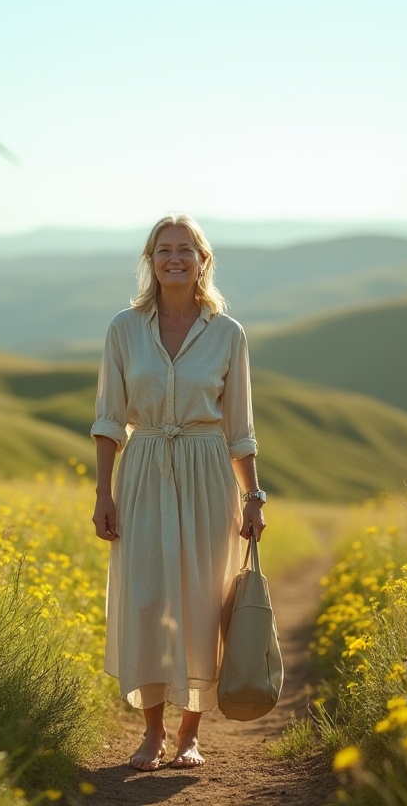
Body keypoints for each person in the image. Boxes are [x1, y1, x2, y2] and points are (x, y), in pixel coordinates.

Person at [90, 212, 267, 771]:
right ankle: (151, 732)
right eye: (164, 249)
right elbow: (108, 419)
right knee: (147, 599)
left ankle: (191, 733)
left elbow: (239, 428)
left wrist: (253, 497)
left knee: (199, 601)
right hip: (142, 470)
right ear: (150, 259)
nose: (174, 258)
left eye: (185, 249)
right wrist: (102, 492)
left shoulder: (228, 333)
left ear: (202, 260)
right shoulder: (124, 328)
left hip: (207, 471)